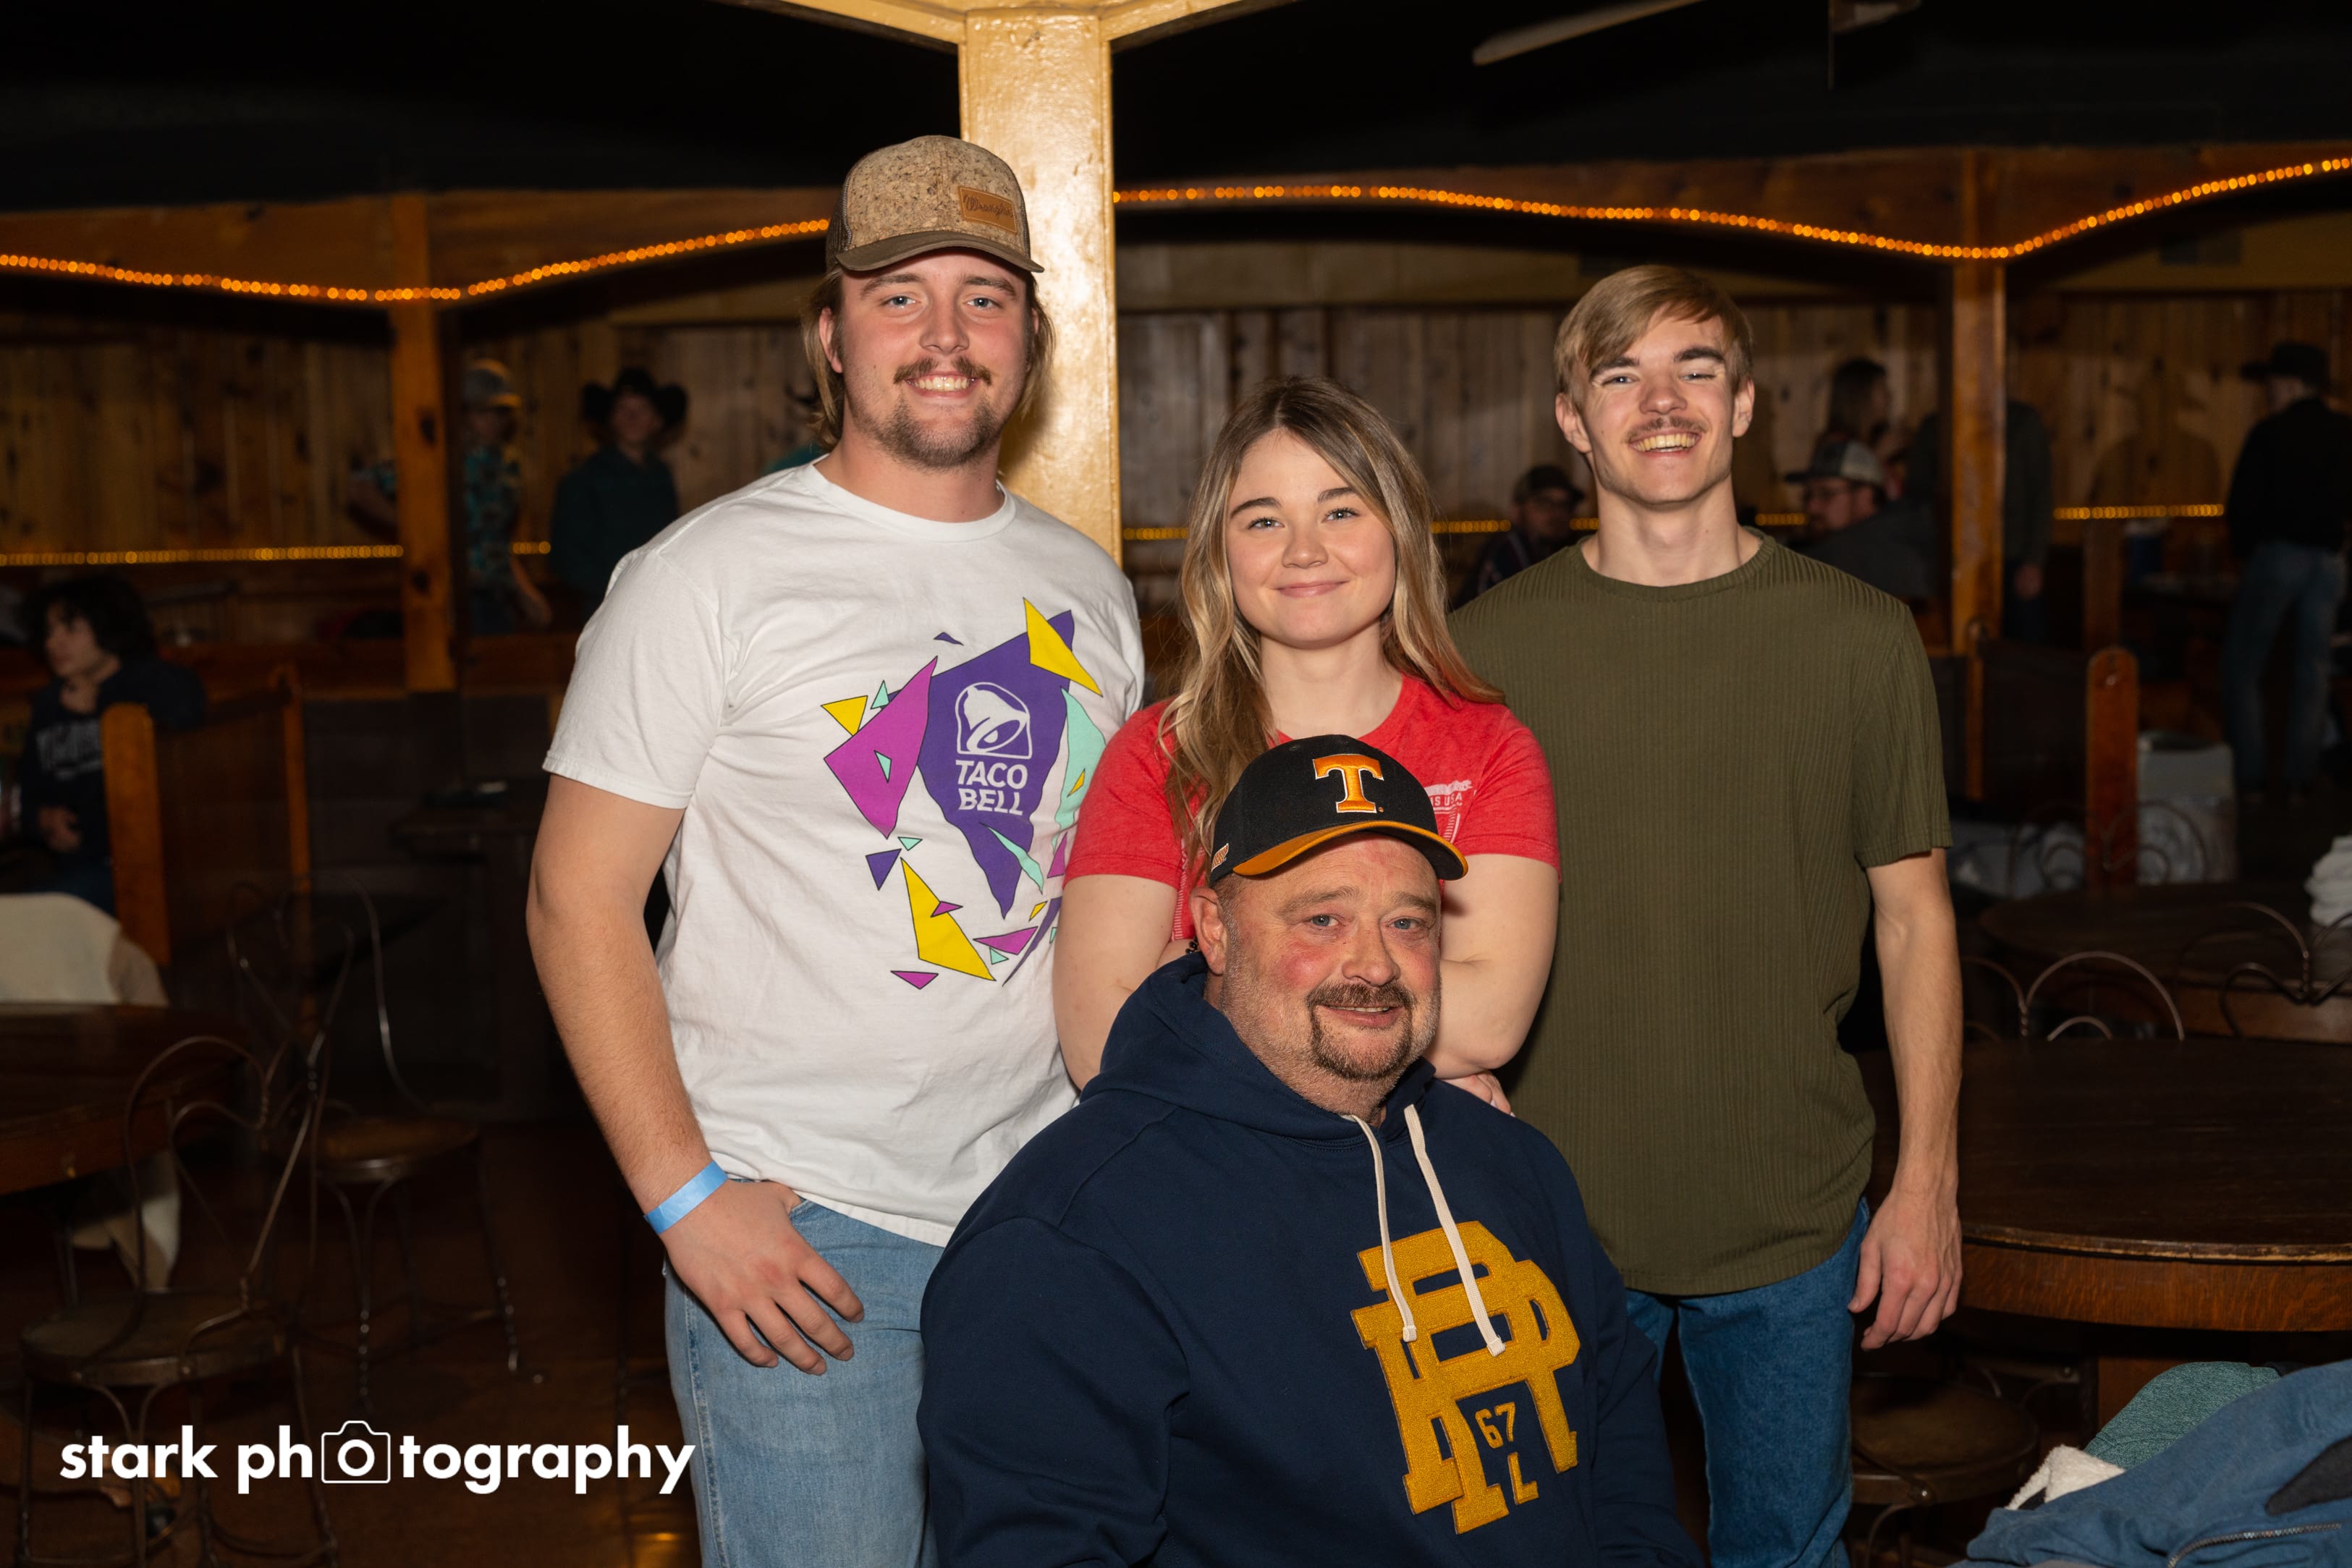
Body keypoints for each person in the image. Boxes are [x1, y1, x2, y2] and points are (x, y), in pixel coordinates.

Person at [525, 135, 1143, 1568]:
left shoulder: (1090, 591)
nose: (945, 335)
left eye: (985, 298)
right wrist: (685, 1198)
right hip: (805, 1229)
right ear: (831, 335)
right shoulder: (704, 575)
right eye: (897, 296)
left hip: (1038, 1221)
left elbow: (1101, 901)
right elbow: (573, 899)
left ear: (1032, 340)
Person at [1450, 265, 1963, 1568]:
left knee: (1785, 1554)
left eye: (1694, 369)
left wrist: (1926, 1183)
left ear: (1742, 405)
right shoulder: (1483, 653)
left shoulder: (1859, 638)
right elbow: (1426, 909)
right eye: (1620, 375)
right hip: (1550, 1218)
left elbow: (1914, 922)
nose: (1660, 401)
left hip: (1791, 1210)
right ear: (1572, 418)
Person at [922, 737, 1696, 1568]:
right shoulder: (1069, 1236)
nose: (1374, 964)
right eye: (1322, 919)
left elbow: (1622, 1461)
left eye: (1407, 922)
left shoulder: (1513, 1163)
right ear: (1215, 931)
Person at [1057, 376, 1559, 1103]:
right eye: (1264, 521)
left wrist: (1193, 977)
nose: (1303, 550)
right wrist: (1400, 1044)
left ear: (1398, 530)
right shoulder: (1157, 752)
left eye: (1340, 511)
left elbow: (1492, 1018)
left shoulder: (1488, 747)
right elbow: (1097, 1036)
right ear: (1221, 553)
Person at [17, 577, 206, 914]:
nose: (53, 643)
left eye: (70, 628)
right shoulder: (49, 702)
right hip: (77, 870)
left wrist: (102, 705)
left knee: (30, 915)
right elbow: (28, 792)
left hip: (151, 870)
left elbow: (188, 715)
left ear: (107, 625)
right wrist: (43, 818)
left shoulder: (154, 681)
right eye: (48, 631)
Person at [2216, 341, 2352, 805]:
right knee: (2313, 670)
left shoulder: (2269, 434)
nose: (2268, 391)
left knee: (2242, 666)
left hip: (2279, 556)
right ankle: (2299, 780)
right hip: (2330, 561)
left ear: (2291, 384)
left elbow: (2242, 505)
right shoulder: (2345, 433)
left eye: (2272, 382)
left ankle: (2251, 779)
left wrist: (2244, 554)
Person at [347, 360, 551, 635]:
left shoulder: (508, 465)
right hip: (449, 595)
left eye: (500, 412)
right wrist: (413, 528)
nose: (493, 421)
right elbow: (360, 486)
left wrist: (524, 591)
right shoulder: (441, 459)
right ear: (464, 414)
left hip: (497, 596)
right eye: (483, 411)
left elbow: (494, 540)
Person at [1909, 395, 2056, 643]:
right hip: (1953, 559)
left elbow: (2041, 493)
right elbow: (1919, 493)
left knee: (2026, 644)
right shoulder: (1935, 427)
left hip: (2013, 556)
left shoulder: (2022, 422)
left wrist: (2034, 560)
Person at [549, 367, 688, 616]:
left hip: (659, 602)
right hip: (604, 606)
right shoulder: (582, 480)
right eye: (623, 409)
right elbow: (566, 558)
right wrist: (617, 590)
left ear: (657, 420)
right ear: (610, 418)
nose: (632, 417)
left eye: (642, 409)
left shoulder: (661, 476)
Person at [1786, 438, 1937, 602]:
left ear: (1865, 496)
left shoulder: (1862, 553)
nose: (1812, 507)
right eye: (1808, 495)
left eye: (1826, 493)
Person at [1456, 462, 1586, 604]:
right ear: (1517, 510)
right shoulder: (1508, 550)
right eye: (1543, 504)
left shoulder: (1567, 551)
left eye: (1564, 505)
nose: (1556, 513)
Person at [1824, 356, 1908, 488]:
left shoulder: (1871, 442)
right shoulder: (1834, 447)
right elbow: (1841, 490)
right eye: (1882, 387)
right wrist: (1878, 456)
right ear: (1861, 394)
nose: (1889, 395)